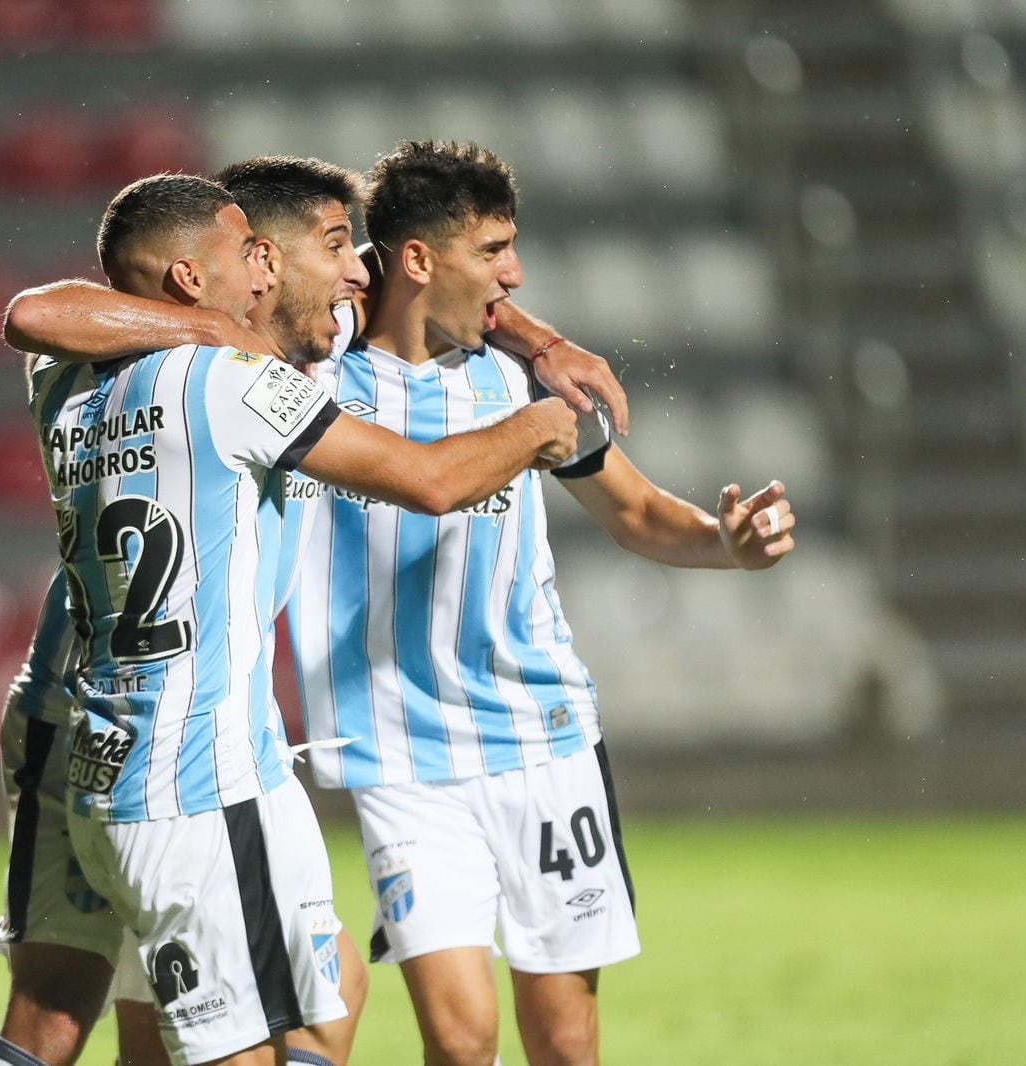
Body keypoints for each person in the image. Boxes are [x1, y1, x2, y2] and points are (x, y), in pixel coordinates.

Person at [0, 155, 629, 1066]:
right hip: (193, 764)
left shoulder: (66, 376)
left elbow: (33, 315)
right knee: (227, 1038)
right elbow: (431, 480)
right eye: (304, 249)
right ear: (210, 274)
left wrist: (529, 336)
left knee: (131, 1012)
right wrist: (535, 424)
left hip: (91, 731)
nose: (354, 269)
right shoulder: (240, 383)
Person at [282, 140, 796, 1066]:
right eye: (493, 251)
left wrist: (728, 544)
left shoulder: (518, 380)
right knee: (464, 1036)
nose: (514, 275)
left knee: (564, 1041)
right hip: (401, 756)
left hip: (544, 739)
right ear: (417, 259)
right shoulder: (317, 382)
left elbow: (636, 513)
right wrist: (534, 335)